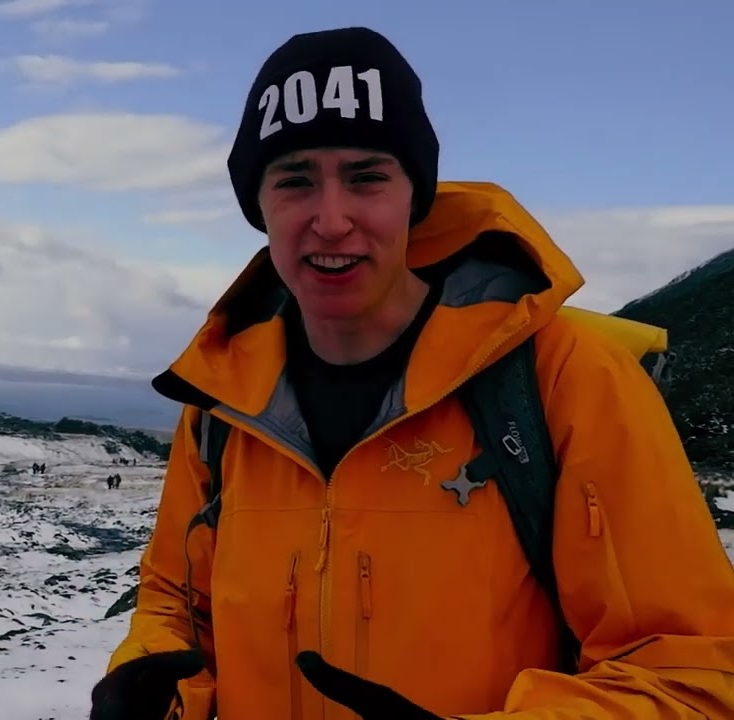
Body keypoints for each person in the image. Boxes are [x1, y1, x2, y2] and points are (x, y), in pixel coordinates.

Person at [89, 26, 734, 720]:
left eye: (367, 177)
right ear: (259, 205)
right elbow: (177, 606)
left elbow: (688, 674)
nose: (331, 221)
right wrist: (152, 688)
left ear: (414, 198)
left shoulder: (566, 377)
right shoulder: (221, 403)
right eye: (295, 180)